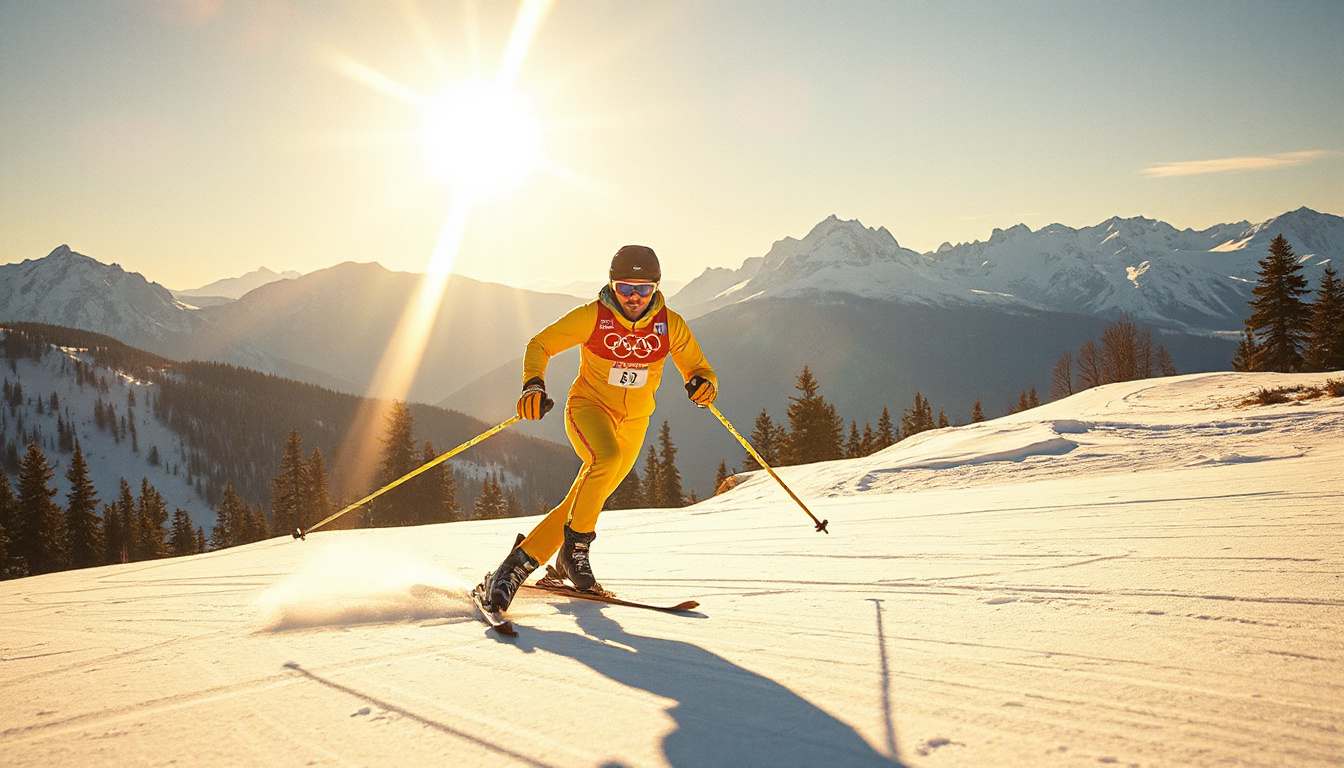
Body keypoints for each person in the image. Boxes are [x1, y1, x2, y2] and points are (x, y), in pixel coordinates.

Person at [482, 245, 717, 611]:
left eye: (644, 289)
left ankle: (528, 562)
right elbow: (540, 344)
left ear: (657, 287)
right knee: (604, 460)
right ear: (611, 285)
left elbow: (699, 369)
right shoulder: (593, 317)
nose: (635, 298)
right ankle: (567, 554)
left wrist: (704, 385)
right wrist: (533, 384)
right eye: (625, 288)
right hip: (589, 410)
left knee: (583, 500)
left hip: (635, 423)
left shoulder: (670, 325)